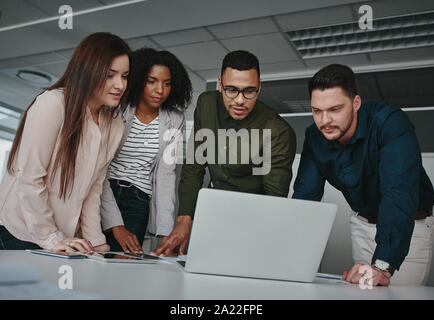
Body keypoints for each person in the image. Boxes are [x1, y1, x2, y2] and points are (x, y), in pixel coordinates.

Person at [292, 64, 434, 286]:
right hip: (361, 224)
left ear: (356, 103)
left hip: (409, 228)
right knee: (365, 293)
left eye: (335, 109)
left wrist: (383, 266)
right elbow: (305, 197)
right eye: (317, 111)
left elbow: (398, 194)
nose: (324, 121)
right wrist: (288, 252)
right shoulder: (314, 136)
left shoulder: (389, 123)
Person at [152, 50, 297, 257]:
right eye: (231, 90)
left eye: (249, 91)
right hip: (211, 212)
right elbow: (194, 166)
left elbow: (273, 202)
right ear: (220, 84)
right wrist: (184, 220)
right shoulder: (207, 104)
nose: (239, 100)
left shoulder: (278, 131)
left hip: (254, 220)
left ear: (259, 87)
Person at [0, 32, 130, 252]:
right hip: (20, 230)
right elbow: (29, 178)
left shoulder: (114, 125)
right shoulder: (53, 104)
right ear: (88, 71)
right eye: (110, 75)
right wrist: (51, 238)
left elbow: (93, 189)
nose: (119, 85)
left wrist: (96, 242)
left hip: (61, 235)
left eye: (125, 76)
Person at [100, 48, 192, 253]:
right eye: (152, 81)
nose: (160, 90)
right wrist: (115, 224)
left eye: (167, 83)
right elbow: (99, 169)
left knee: (126, 264)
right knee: (94, 255)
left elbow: (165, 175)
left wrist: (165, 233)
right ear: (139, 79)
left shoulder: (174, 119)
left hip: (139, 200)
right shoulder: (116, 109)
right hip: (104, 193)